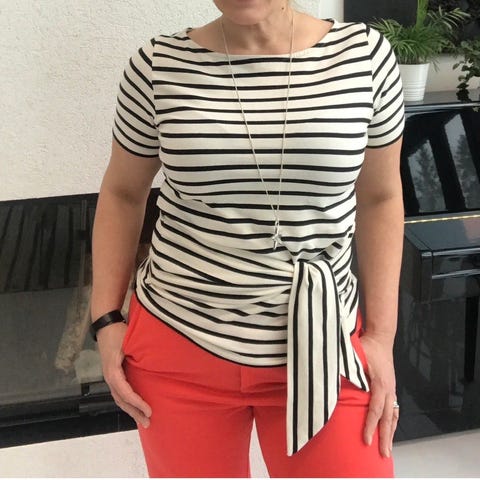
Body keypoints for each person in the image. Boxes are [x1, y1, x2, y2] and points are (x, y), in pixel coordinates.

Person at [90, 0, 405, 477]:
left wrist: (381, 336)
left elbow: (381, 197)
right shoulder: (157, 66)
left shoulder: (363, 56)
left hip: (326, 344)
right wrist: (106, 319)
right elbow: (122, 193)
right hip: (178, 343)